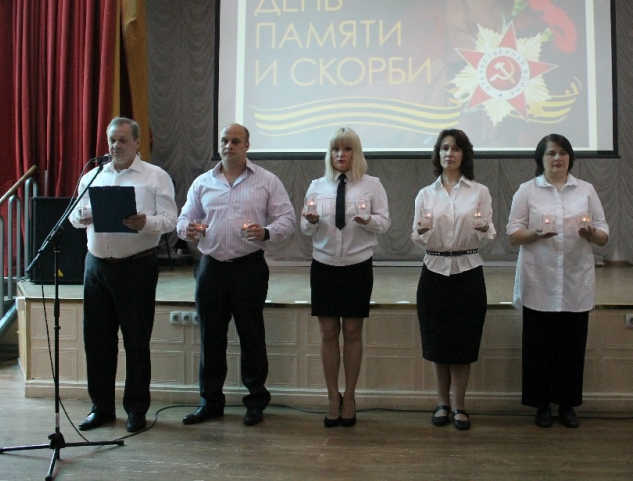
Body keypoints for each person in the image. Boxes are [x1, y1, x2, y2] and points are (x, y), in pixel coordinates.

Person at [177, 123, 296, 427]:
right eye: (224, 141)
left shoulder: (267, 181)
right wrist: (188, 229)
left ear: (247, 146)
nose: (229, 146)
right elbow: (183, 219)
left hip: (248, 267)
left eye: (235, 141)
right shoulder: (202, 183)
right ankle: (210, 402)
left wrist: (266, 231)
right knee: (210, 338)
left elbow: (288, 219)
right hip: (211, 267)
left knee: (251, 335)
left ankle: (255, 401)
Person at [69, 117, 177, 433]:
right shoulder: (93, 176)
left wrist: (146, 222)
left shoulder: (155, 176)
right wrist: (82, 216)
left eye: (122, 140)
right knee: (97, 341)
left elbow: (170, 219)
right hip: (97, 266)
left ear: (137, 143)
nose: (116, 146)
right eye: (112, 140)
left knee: (136, 341)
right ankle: (101, 408)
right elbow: (73, 216)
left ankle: (136, 410)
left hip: (136, 267)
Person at [506, 133, 609, 429]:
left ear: (570, 158)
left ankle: (567, 404)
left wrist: (592, 234)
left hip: (575, 280)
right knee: (538, 348)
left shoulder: (585, 190)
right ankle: (541, 405)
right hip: (539, 279)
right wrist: (536, 233)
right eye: (551, 153)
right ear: (541, 159)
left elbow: (603, 232)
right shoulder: (527, 191)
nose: (557, 158)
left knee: (571, 348)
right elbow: (513, 234)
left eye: (563, 153)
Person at [301, 128, 391, 427]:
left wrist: (369, 221)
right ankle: (332, 397)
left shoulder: (372, 185)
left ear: (357, 153)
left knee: (352, 332)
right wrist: (311, 221)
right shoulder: (317, 186)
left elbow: (384, 223)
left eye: (347, 149)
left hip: (357, 265)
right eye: (336, 149)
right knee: (328, 333)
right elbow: (305, 227)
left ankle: (350, 396)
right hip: (324, 265)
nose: (341, 154)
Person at [411, 128, 495, 431]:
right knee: (438, 343)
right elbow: (416, 236)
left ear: (464, 154)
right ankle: (442, 403)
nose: (449, 153)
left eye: (456, 148)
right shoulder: (426, 193)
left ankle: (459, 405)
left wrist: (483, 228)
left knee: (463, 343)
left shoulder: (479, 192)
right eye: (444, 148)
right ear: (438, 154)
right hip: (434, 272)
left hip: (467, 271)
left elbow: (489, 233)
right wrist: (421, 232)